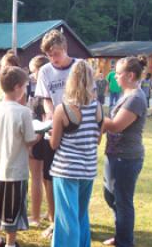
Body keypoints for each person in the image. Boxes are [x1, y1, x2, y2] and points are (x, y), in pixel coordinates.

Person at [49, 60, 103, 247]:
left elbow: (54, 144)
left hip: (66, 170)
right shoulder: (97, 107)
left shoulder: (62, 109)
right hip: (87, 169)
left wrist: (50, 134)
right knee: (81, 215)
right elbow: (97, 139)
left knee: (66, 218)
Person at [0, 66, 39, 247]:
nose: (25, 90)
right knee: (12, 206)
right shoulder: (23, 111)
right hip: (16, 169)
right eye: (25, 86)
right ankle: (10, 242)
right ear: (17, 87)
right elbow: (29, 139)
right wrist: (41, 133)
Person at [34, 29, 78, 238]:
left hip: (75, 132)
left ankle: (73, 220)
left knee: (72, 177)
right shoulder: (45, 71)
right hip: (52, 131)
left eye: (56, 54)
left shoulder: (79, 67)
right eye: (50, 55)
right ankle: (53, 221)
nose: (53, 59)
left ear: (65, 48)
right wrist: (51, 114)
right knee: (48, 176)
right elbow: (45, 98)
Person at [102, 55, 148, 247]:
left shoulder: (136, 98)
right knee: (111, 196)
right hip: (115, 155)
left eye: (118, 74)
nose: (115, 77)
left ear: (130, 75)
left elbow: (116, 125)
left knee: (122, 200)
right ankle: (121, 235)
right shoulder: (128, 95)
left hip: (126, 158)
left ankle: (125, 242)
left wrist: (95, 117)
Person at [26, 55, 50, 227]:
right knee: (46, 179)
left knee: (36, 177)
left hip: (39, 139)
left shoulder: (40, 97)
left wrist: (30, 144)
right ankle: (50, 213)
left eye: (33, 71)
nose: (32, 75)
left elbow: (39, 126)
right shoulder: (50, 94)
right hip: (50, 141)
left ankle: (35, 216)